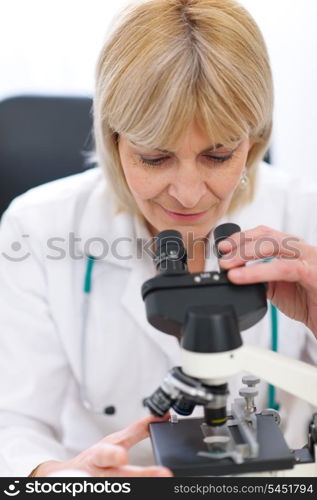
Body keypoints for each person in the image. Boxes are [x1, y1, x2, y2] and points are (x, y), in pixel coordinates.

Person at [0, 0, 317, 477]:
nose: (189, 195)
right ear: (114, 140)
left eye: (218, 156)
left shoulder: (305, 213)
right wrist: (59, 478)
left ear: (254, 141)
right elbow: (13, 421)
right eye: (154, 158)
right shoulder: (37, 227)